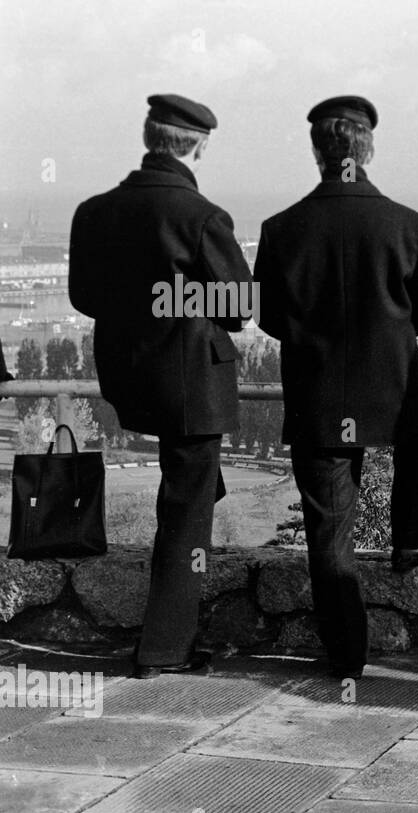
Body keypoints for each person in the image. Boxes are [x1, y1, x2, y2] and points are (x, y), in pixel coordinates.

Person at [254, 95, 418, 680]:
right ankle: (407, 539)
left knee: (328, 533)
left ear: (318, 152)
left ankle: (347, 656)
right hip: (392, 391)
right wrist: (388, 333)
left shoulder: (280, 229)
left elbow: (268, 317)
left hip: (318, 398)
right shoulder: (410, 226)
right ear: (367, 149)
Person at [69, 94, 248, 679]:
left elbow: (85, 298)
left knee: (188, 498)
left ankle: (165, 638)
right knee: (186, 514)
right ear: (197, 145)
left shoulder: (93, 212)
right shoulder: (201, 217)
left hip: (131, 378)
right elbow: (240, 306)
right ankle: (165, 648)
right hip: (192, 385)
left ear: (150, 138)